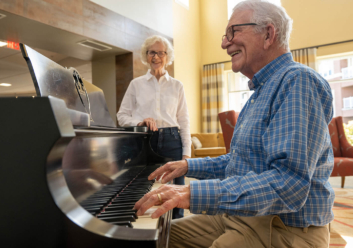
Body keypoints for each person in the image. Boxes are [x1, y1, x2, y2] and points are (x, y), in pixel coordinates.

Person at [134, 0, 335, 247]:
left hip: (282, 228)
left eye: (233, 31)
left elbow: (288, 185)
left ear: (268, 34)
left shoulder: (297, 82)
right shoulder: (260, 92)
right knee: (153, 238)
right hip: (244, 216)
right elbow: (241, 162)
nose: (224, 42)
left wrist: (191, 193)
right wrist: (188, 166)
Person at [117, 35, 191, 219]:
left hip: (172, 141)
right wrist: (139, 123)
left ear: (167, 56)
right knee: (143, 188)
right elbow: (121, 117)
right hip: (144, 141)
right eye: (152, 53)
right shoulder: (136, 85)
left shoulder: (177, 86)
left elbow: (184, 120)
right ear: (146, 55)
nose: (156, 57)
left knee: (174, 192)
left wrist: (186, 153)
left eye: (160, 53)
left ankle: (176, 230)